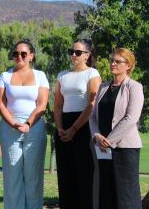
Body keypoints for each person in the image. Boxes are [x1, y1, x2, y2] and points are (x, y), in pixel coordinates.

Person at [0, 40, 49, 209]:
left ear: (31, 56)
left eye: (23, 54)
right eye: (16, 53)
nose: (19, 56)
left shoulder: (41, 76)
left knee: (33, 176)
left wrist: (28, 123)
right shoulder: (4, 76)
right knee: (12, 176)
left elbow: (42, 104)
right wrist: (13, 123)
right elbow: (0, 103)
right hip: (9, 128)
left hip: (34, 127)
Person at [89, 48, 144, 209]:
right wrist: (97, 136)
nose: (113, 63)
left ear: (128, 65)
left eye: (117, 61)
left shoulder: (134, 87)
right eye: (112, 60)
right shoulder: (103, 87)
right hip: (103, 149)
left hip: (125, 149)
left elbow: (131, 118)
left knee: (127, 196)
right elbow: (92, 116)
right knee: (106, 193)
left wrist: (109, 141)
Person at [54, 39, 101, 209]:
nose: (73, 55)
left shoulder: (92, 74)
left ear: (87, 55)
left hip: (83, 127)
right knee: (66, 175)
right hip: (63, 127)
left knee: (84, 174)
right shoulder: (62, 75)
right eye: (71, 51)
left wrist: (74, 129)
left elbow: (92, 104)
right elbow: (58, 105)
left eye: (78, 52)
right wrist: (60, 128)